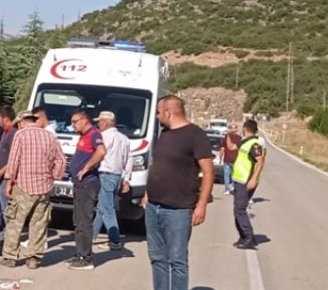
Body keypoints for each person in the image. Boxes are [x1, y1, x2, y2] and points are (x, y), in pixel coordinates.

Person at [141, 95, 214, 290]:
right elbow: (159, 166)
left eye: (158, 112)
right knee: (157, 258)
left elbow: (208, 172)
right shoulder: (164, 134)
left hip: (178, 210)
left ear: (168, 112)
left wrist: (202, 205)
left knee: (177, 260)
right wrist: (148, 194)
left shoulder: (195, 135)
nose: (156, 116)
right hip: (153, 206)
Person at [0, 113, 65, 270]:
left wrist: (9, 182)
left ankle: (10, 257)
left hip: (23, 185)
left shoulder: (20, 135)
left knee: (15, 221)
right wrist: (53, 176)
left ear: (22, 122)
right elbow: (61, 160)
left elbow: (14, 160)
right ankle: (33, 258)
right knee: (39, 223)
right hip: (44, 188)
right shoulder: (49, 136)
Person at [67, 110, 106, 270]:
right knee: (78, 220)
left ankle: (86, 257)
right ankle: (79, 253)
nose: (73, 125)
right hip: (80, 185)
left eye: (75, 121)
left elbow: (102, 151)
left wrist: (86, 168)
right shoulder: (83, 136)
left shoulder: (93, 134)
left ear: (84, 120)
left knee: (84, 221)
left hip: (87, 184)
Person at [92, 111, 132, 252]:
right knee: (102, 208)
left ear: (106, 122)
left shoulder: (103, 137)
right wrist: (126, 179)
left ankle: (115, 240)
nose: (98, 124)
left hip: (105, 175)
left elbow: (98, 154)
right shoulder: (124, 139)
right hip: (117, 176)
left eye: (100, 122)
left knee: (107, 209)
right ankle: (91, 235)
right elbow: (129, 160)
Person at [231, 119, 266, 250]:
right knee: (237, 210)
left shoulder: (254, 144)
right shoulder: (244, 142)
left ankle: (249, 237)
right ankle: (243, 236)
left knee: (240, 209)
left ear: (245, 129)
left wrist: (253, 179)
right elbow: (230, 147)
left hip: (246, 180)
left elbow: (260, 161)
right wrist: (229, 135)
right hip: (240, 180)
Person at [0, 106, 17, 209]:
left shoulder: (13, 133)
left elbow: (14, 158)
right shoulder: (5, 132)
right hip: (2, 175)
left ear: (5, 119)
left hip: (7, 176)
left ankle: (6, 225)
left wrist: (0, 172)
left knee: (5, 206)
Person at [221, 125, 242, 195]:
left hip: (227, 159)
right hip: (235, 159)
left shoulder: (227, 137)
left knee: (226, 175)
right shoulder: (240, 138)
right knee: (234, 174)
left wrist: (221, 158)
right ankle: (232, 186)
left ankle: (227, 189)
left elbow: (222, 148)